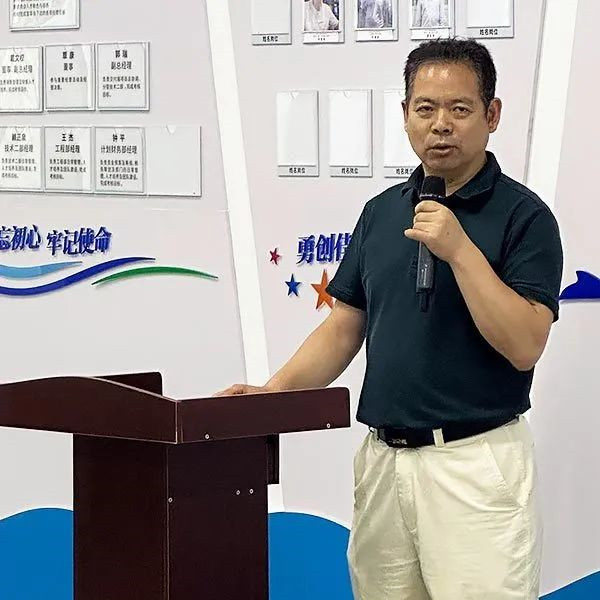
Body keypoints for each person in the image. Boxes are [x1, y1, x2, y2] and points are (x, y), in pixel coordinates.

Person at [215, 38, 563, 599]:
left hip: (475, 465)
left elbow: (525, 345)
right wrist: (272, 395)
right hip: (383, 463)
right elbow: (343, 326)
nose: (441, 124)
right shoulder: (381, 213)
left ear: (492, 115)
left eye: (460, 108)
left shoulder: (526, 217)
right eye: (425, 108)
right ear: (404, 115)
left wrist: (460, 250)